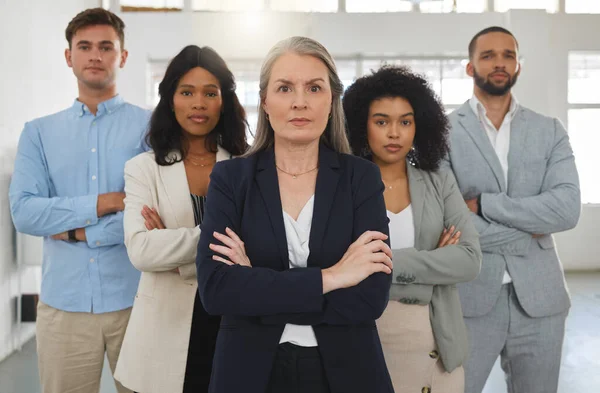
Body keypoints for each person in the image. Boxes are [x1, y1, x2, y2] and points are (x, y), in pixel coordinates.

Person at [195, 36, 394, 393]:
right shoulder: (230, 179)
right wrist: (333, 277)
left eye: (314, 88)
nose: (299, 102)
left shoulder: (360, 178)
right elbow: (218, 291)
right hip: (248, 372)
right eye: (285, 88)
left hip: (347, 372)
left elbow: (370, 297)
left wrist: (256, 284)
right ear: (265, 102)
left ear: (331, 101)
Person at [8, 8, 150, 393]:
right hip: (63, 308)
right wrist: (104, 202)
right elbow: (25, 212)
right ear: (69, 56)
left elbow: (156, 216)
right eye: (84, 46)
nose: (95, 55)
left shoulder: (151, 128)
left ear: (122, 57)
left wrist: (75, 233)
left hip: (138, 305)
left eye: (106, 47)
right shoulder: (38, 133)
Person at [446, 26, 581, 393]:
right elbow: (449, 222)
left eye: (508, 55)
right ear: (470, 67)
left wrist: (485, 204)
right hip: (469, 300)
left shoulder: (549, 130)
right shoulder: (443, 132)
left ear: (518, 65)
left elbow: (567, 210)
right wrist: (530, 229)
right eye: (488, 55)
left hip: (542, 302)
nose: (499, 63)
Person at [113, 45, 248, 393]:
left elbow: (263, 248)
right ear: (171, 99)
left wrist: (177, 255)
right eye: (187, 92)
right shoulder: (143, 169)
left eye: (210, 93)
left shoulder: (246, 167)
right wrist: (219, 242)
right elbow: (141, 250)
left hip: (234, 325)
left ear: (225, 101)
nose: (198, 103)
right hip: (163, 338)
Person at [343, 65, 481, 393]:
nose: (395, 133)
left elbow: (470, 260)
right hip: (367, 340)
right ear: (362, 126)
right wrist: (434, 261)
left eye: (405, 121)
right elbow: (333, 264)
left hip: (439, 349)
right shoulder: (342, 187)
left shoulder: (439, 183)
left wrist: (378, 263)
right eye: (382, 122)